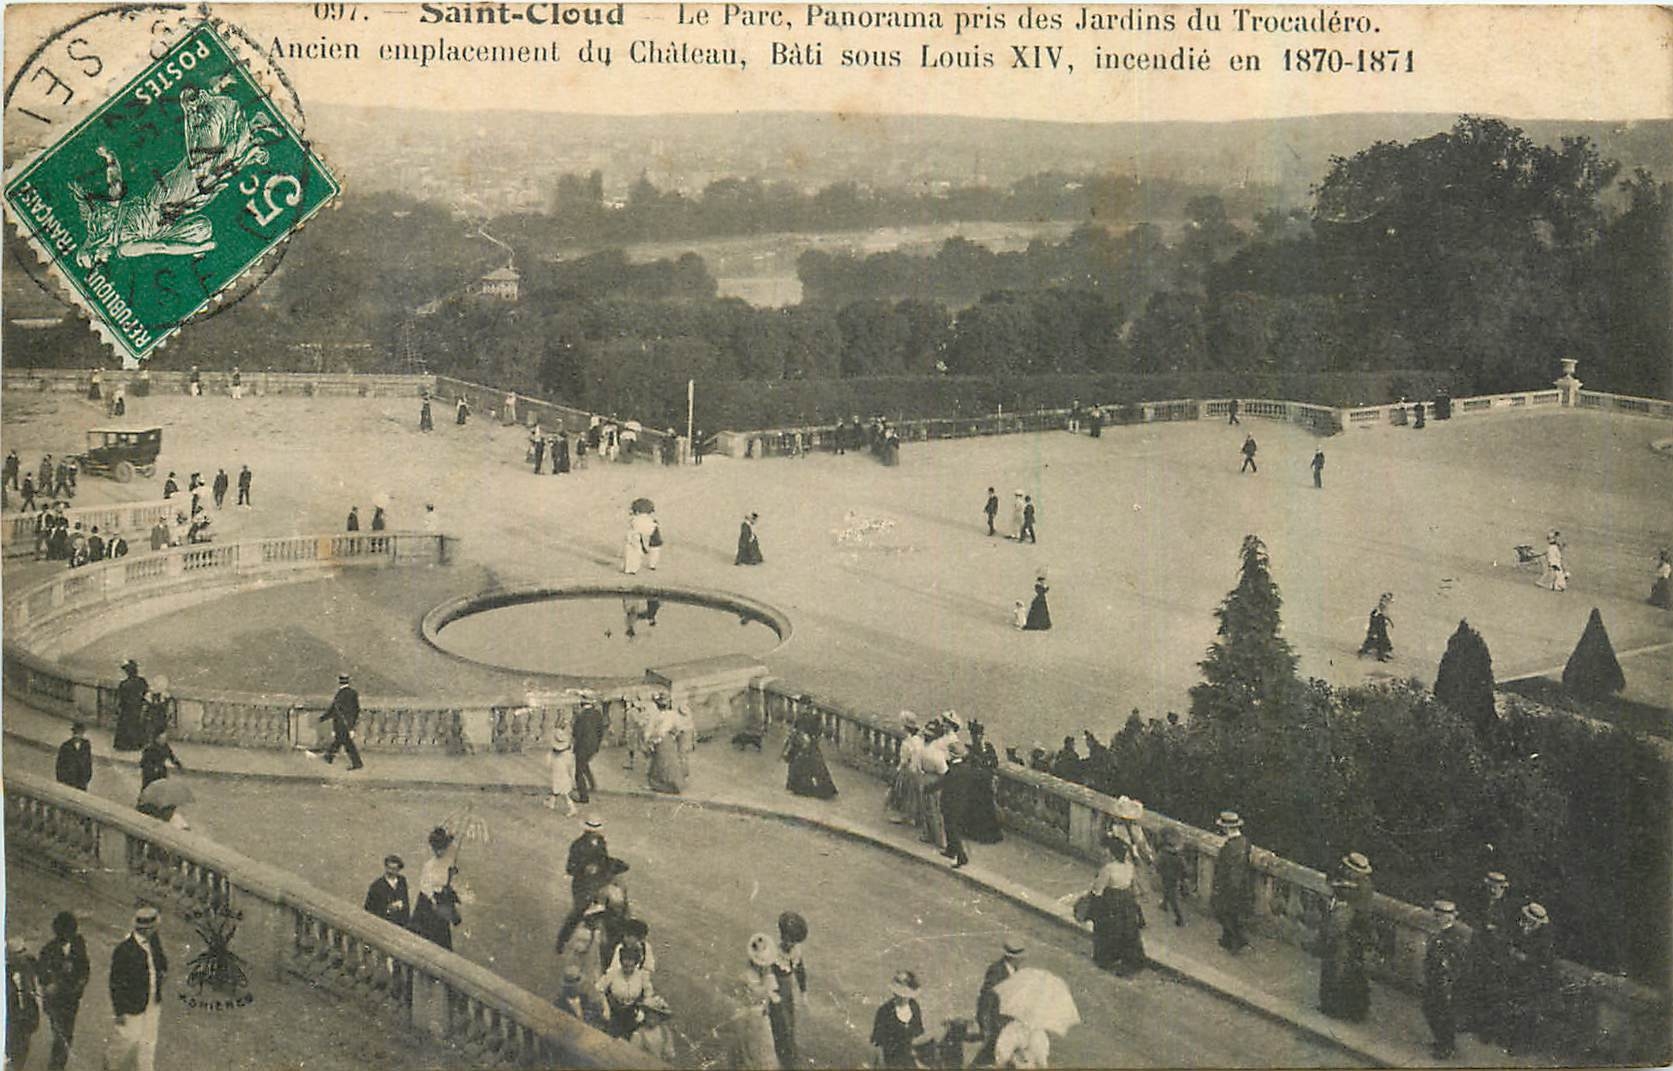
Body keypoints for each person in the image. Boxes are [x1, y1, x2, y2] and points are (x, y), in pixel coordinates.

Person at [106, 905, 167, 1071]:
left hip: (152, 1003)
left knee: (148, 1044)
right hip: (132, 1006)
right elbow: (115, 983)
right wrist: (119, 1011)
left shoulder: (154, 942)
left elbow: (162, 962)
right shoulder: (124, 950)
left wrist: (161, 974)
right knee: (123, 1044)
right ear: (147, 930)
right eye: (154, 928)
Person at [1464, 871, 1515, 1042]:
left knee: (1493, 993)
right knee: (1476, 987)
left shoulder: (1508, 907)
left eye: (1496, 888)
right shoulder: (1482, 901)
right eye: (1490, 887)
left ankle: (1488, 1031)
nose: (1493, 891)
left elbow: (1511, 933)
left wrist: (1496, 931)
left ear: (1503, 888)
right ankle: (1473, 1022)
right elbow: (1473, 918)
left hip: (1497, 956)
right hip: (1480, 951)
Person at [37, 911, 89, 1071]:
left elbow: (85, 968)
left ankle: (58, 1065)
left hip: (71, 999)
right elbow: (42, 976)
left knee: (67, 1035)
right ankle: (56, 1067)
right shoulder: (48, 950)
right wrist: (52, 983)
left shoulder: (79, 945)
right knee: (61, 1036)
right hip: (56, 1001)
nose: (68, 937)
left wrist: (80, 983)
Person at [1088, 837, 1146, 975]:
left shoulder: (1108, 868)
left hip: (1111, 901)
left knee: (1106, 929)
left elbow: (1098, 890)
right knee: (1127, 930)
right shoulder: (1129, 867)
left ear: (1112, 854)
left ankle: (1105, 959)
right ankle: (1129, 960)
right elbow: (1132, 885)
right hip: (1126, 901)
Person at [1504, 902, 1554, 1055]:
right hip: (1518, 974)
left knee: (1526, 1012)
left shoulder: (1544, 936)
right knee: (1514, 1006)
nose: (1526, 920)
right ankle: (1512, 1040)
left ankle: (1520, 1045)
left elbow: (1544, 959)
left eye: (1529, 919)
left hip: (1533, 978)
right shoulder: (1524, 928)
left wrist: (1523, 957)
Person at [555, 818, 611, 952]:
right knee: (579, 911)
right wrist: (584, 868)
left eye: (595, 832)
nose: (594, 834)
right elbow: (570, 868)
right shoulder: (577, 845)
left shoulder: (601, 842)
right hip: (582, 883)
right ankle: (562, 939)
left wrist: (602, 869)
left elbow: (605, 860)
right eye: (591, 832)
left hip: (598, 881)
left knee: (605, 910)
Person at [1319, 878, 1369, 1021]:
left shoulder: (1346, 908)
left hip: (1341, 945)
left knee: (1338, 974)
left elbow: (1338, 927)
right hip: (1337, 944)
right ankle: (1331, 1006)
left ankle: (1337, 1008)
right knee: (1332, 973)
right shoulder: (1338, 904)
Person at [1424, 899, 1467, 1058]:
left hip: (1445, 982)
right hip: (1435, 979)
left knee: (1442, 1013)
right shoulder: (1441, 932)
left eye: (1438, 915)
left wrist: (1448, 979)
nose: (1435, 918)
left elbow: (1456, 962)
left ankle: (1446, 1046)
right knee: (1431, 1009)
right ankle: (1442, 1041)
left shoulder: (1455, 936)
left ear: (1447, 917)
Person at [974, 936, 1026, 1066]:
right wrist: (985, 1026)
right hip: (995, 1025)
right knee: (988, 1058)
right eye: (1021, 956)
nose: (1023, 959)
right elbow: (986, 999)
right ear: (1014, 957)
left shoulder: (1014, 970)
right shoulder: (996, 971)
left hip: (1007, 1023)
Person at [733, 934, 781, 1069]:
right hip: (751, 1016)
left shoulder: (765, 975)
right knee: (754, 1050)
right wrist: (766, 989)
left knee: (765, 1048)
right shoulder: (748, 976)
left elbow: (772, 995)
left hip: (761, 1016)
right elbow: (753, 996)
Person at [409, 827, 461, 950]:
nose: (439, 852)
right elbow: (425, 885)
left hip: (442, 899)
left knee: (441, 933)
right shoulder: (429, 865)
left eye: (442, 849)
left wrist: (451, 875)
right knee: (423, 932)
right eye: (437, 849)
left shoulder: (449, 862)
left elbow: (447, 879)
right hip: (428, 901)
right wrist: (432, 899)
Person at [768, 912, 808, 1067]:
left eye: (794, 941)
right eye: (789, 940)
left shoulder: (796, 951)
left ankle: (788, 1051)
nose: (791, 944)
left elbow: (800, 970)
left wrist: (803, 991)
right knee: (779, 1022)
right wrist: (770, 992)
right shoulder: (774, 952)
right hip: (775, 989)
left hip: (786, 990)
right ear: (783, 936)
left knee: (789, 1020)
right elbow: (766, 973)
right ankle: (782, 1054)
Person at [1211, 811, 1253, 953]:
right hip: (1242, 885)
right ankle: (1229, 939)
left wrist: (1222, 886)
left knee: (1224, 913)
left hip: (1229, 886)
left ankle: (1236, 942)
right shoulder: (1245, 842)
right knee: (1234, 914)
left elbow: (1228, 869)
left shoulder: (1230, 846)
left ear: (1227, 828)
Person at [596, 943, 655, 1040]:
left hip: (632, 1011)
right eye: (625, 966)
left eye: (631, 966)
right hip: (614, 1010)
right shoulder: (613, 973)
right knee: (610, 1037)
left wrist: (642, 1010)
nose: (628, 969)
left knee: (631, 1038)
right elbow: (599, 989)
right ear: (621, 963)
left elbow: (649, 994)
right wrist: (606, 1007)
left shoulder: (641, 975)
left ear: (636, 964)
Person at [785, 698, 838, 799]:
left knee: (813, 767)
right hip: (802, 744)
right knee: (803, 766)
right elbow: (797, 729)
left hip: (808, 745)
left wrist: (807, 738)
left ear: (806, 706)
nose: (800, 707)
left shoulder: (811, 718)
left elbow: (816, 732)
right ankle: (801, 787)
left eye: (802, 705)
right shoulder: (804, 717)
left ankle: (817, 789)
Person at [870, 970, 925, 1069]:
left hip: (910, 1057)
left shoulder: (914, 1007)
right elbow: (877, 1042)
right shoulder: (884, 1011)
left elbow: (918, 1032)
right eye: (900, 994)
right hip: (891, 1059)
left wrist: (917, 1058)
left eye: (907, 995)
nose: (903, 998)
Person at [316, 673, 364, 770]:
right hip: (348, 723)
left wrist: (322, 718)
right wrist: (352, 725)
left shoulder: (339, 694)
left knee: (345, 743)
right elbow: (356, 710)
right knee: (343, 742)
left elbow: (334, 710)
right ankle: (329, 757)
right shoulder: (353, 693)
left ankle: (355, 763)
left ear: (339, 682)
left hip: (340, 723)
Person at [646, 695, 691, 795]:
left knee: (661, 762)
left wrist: (651, 740)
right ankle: (676, 783)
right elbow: (679, 728)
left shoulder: (657, 716)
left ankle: (664, 784)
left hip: (661, 740)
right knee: (670, 761)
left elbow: (654, 731)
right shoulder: (672, 714)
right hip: (669, 740)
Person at [885, 713, 924, 825]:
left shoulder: (911, 741)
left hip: (909, 769)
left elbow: (909, 758)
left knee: (904, 792)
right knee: (909, 793)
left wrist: (902, 769)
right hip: (913, 769)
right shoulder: (916, 739)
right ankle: (911, 816)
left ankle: (905, 816)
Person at [7, 938, 40, 1069]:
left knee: (22, 1053)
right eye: (19, 953)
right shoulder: (7, 974)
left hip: (25, 1019)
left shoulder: (27, 969)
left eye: (23, 951)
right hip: (13, 1021)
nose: (23, 956)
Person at [572, 698, 605, 804]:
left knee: (578, 772)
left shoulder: (581, 716)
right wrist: (597, 744)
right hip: (593, 746)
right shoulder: (597, 714)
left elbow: (576, 733)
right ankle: (592, 784)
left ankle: (583, 797)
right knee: (584, 764)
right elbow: (601, 731)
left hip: (582, 746)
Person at [364, 854, 412, 927]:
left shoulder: (402, 881)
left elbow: (406, 903)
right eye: (388, 868)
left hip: (400, 925)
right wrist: (388, 909)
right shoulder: (376, 886)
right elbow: (369, 909)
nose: (390, 871)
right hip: (383, 924)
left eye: (394, 869)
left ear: (399, 870)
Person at [114, 659, 150, 751]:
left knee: (126, 726)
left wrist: (118, 708)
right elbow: (146, 694)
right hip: (136, 707)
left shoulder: (124, 684)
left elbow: (120, 698)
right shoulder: (141, 681)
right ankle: (136, 745)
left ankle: (125, 745)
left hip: (127, 708)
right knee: (135, 725)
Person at [1156, 831, 1187, 926]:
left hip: (1166, 876)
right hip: (1175, 877)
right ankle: (1164, 904)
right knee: (1168, 890)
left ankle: (1180, 918)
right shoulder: (1178, 856)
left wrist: (1158, 871)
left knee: (1172, 897)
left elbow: (1158, 865)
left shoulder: (1163, 854)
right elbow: (1183, 867)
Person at [547, 725, 579, 814]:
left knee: (564, 792)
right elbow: (571, 767)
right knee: (558, 789)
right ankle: (551, 802)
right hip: (566, 776)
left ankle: (572, 808)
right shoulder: (569, 755)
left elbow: (549, 764)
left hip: (559, 775)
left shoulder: (553, 756)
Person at [55, 722, 93, 791]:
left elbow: (88, 762)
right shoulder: (65, 746)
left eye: (80, 733)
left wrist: (87, 777)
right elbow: (59, 764)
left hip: (81, 781)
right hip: (68, 780)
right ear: (72, 733)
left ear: (83, 734)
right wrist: (62, 780)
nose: (77, 736)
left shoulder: (86, 745)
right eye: (75, 733)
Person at [1357, 594, 1394, 662]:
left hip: (1379, 622)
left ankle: (1381, 653)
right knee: (1378, 639)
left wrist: (1388, 621)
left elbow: (1384, 615)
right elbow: (1380, 616)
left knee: (1381, 638)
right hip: (1378, 623)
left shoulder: (1381, 608)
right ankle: (1380, 655)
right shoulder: (1379, 609)